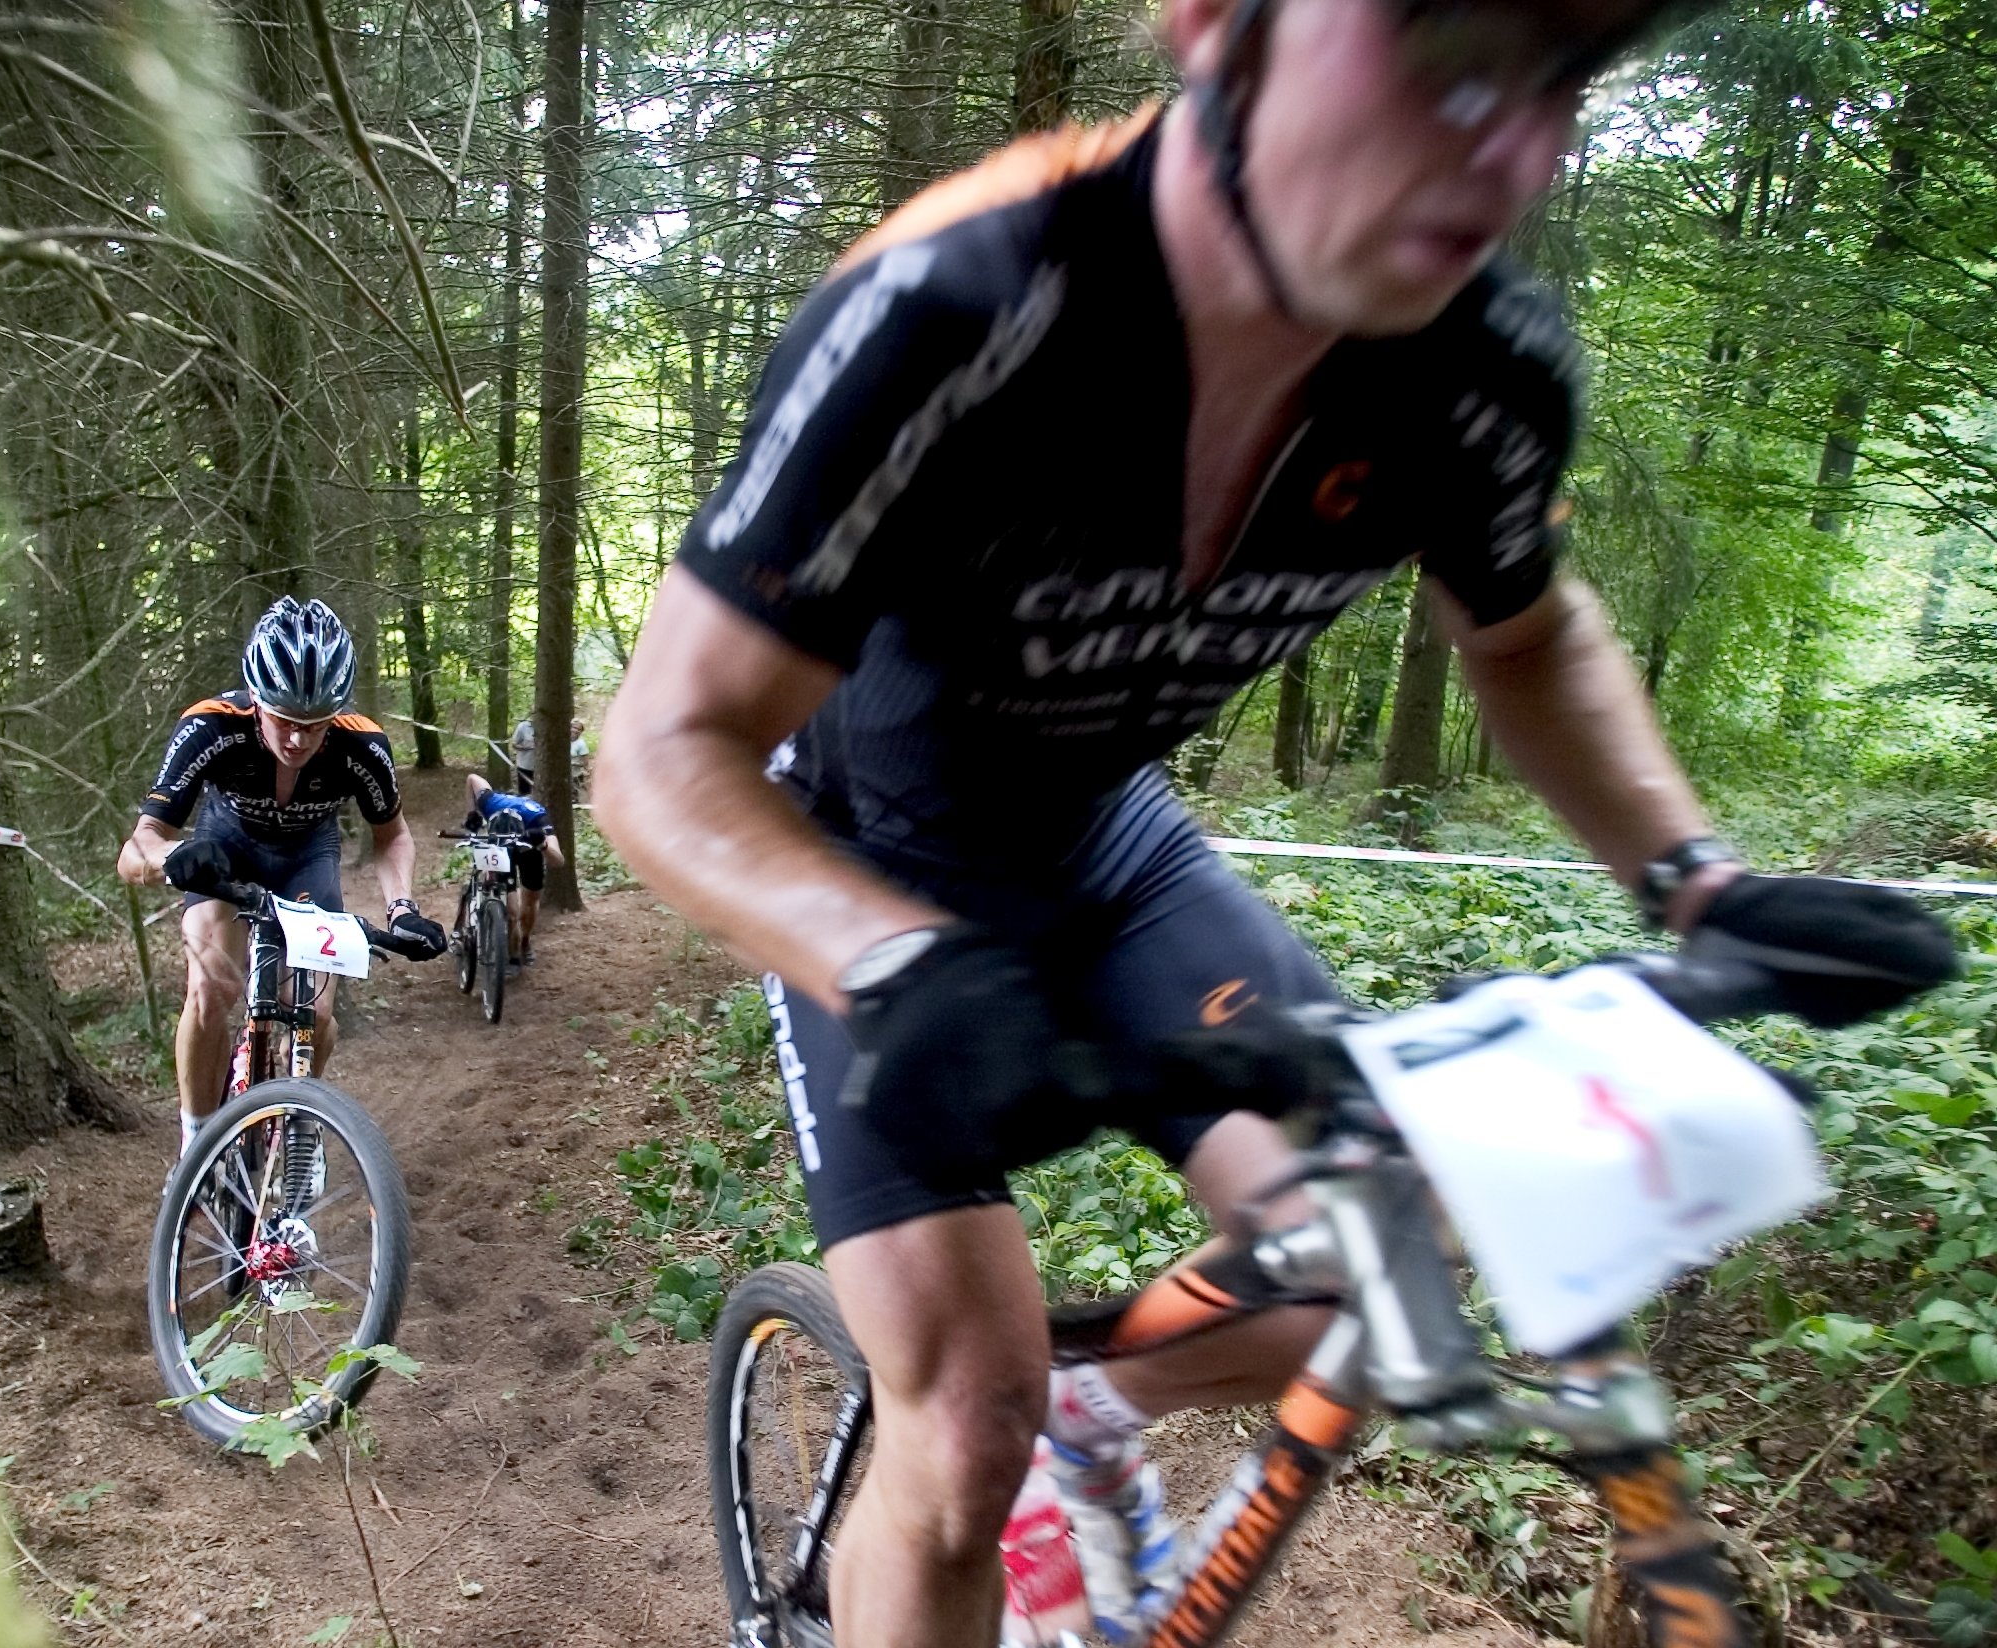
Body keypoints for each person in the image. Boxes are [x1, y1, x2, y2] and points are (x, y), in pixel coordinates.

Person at [594, 2, 1960, 1644]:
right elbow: (664, 748)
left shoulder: (1476, 369)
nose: (1512, 145)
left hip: (1106, 849)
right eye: (1442, 42)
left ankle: (1086, 1415)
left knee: (1352, 1286)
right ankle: (999, 1444)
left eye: (1558, 75)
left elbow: (1525, 636)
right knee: (959, 1428)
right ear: (1208, 24)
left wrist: (1693, 878)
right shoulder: (952, 306)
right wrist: (877, 955)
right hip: (866, 872)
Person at [118, 598, 446, 1157]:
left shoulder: (361, 746)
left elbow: (392, 835)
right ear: (256, 703)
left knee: (315, 1014)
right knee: (210, 989)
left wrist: (403, 908)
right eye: (284, 721)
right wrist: (173, 855)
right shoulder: (211, 727)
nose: (298, 740)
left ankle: (299, 1137)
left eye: (314, 727)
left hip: (306, 857)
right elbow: (134, 851)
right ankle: (196, 1143)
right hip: (225, 850)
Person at [462, 773, 567, 968]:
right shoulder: (490, 802)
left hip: (530, 847)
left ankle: (525, 940)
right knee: (512, 912)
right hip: (499, 847)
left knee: (530, 901)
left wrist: (542, 844)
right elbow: (472, 779)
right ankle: (511, 953)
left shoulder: (538, 819)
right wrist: (472, 813)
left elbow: (558, 860)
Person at [509, 714, 537, 794]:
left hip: (541, 767)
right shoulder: (522, 726)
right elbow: (514, 744)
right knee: (525, 792)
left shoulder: (546, 725)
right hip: (525, 766)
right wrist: (528, 747)